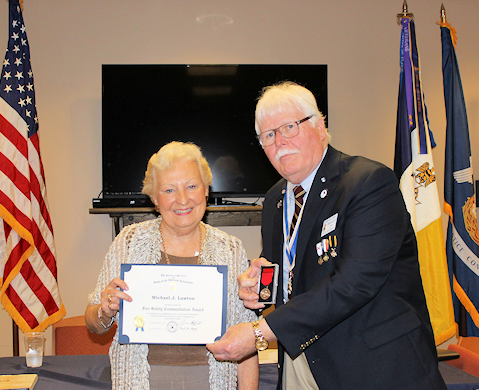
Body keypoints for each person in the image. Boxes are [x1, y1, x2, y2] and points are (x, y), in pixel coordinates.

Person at [207, 81, 447, 389]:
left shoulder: (367, 182)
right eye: (268, 135)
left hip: (375, 365)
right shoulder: (275, 199)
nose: (280, 141)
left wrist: (259, 332)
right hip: (302, 361)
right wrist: (260, 283)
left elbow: (354, 283)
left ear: (320, 127)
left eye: (290, 127)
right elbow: (296, 274)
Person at [85, 141, 258, 390]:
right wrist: (105, 310)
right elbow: (93, 322)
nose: (183, 199)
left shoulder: (231, 250)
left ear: (206, 190)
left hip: (213, 380)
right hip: (141, 380)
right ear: (154, 198)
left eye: (191, 186)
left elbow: (247, 337)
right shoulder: (129, 242)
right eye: (169, 190)